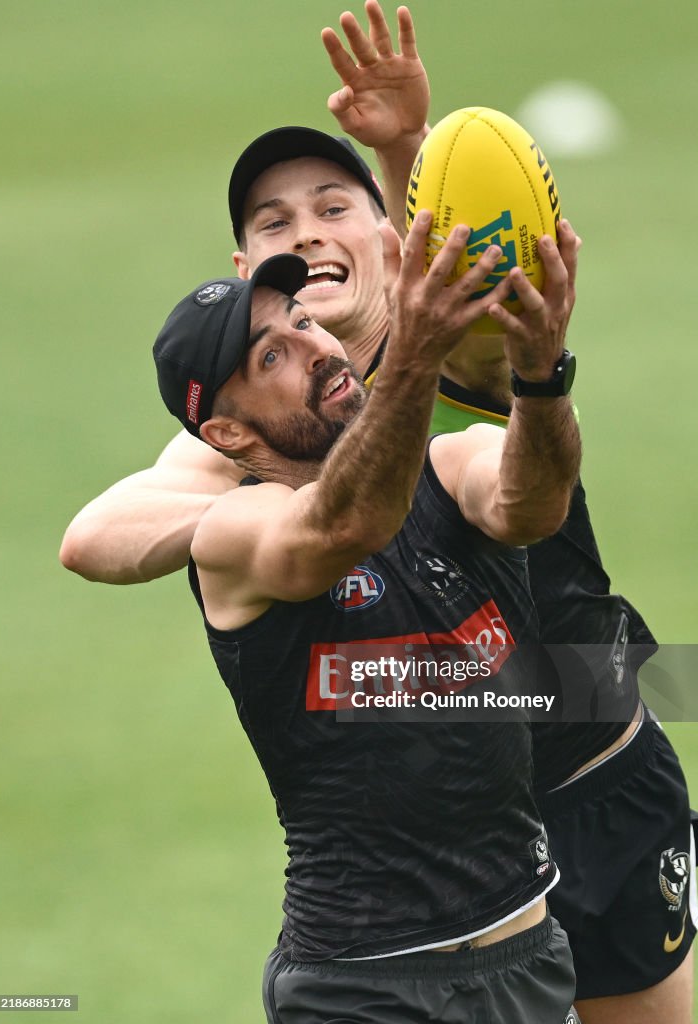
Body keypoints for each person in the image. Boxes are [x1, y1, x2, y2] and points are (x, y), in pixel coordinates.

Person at [58, 3, 698, 1022]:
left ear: (393, 232)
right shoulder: (264, 431)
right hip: (436, 859)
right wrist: (245, 528)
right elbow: (93, 539)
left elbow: (472, 327)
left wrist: (414, 150)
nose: (307, 232)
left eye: (334, 206)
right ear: (247, 277)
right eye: (274, 226)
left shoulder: (458, 345)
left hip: (587, 767)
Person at [151, 217, 582, 1022]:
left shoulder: (449, 467)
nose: (313, 347)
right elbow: (344, 526)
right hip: (364, 985)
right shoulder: (234, 536)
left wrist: (540, 376)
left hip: (527, 956)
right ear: (229, 432)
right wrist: (414, 360)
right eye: (270, 357)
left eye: (303, 322)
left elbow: (533, 502)